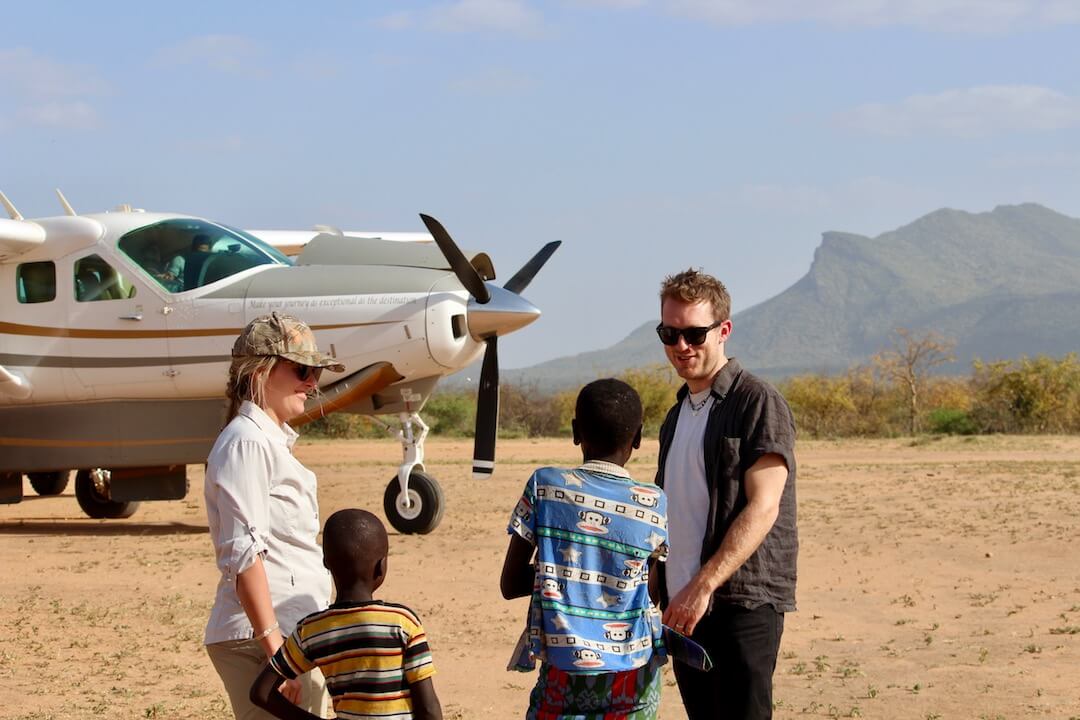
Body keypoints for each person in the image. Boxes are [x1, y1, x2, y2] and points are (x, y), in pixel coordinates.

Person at [654, 269, 797, 720]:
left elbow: (765, 504)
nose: (682, 346)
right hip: (684, 608)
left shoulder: (756, 401)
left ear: (724, 330)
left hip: (740, 603)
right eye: (669, 333)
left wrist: (703, 584)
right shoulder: (676, 417)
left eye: (695, 333)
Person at [204, 311, 345, 720]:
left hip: (285, 637)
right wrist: (276, 656)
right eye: (302, 369)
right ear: (261, 372)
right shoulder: (247, 442)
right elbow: (245, 554)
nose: (312, 383)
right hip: (265, 642)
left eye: (315, 372)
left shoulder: (264, 440)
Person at [501, 378, 669, 720]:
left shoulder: (544, 486)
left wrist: (564, 577)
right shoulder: (654, 502)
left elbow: (510, 584)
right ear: (638, 438)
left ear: (576, 431)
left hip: (563, 674)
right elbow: (651, 593)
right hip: (633, 679)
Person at [250, 509, 443, 720]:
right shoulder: (403, 623)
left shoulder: (311, 630)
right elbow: (428, 708)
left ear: (326, 563)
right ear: (381, 567)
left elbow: (261, 691)